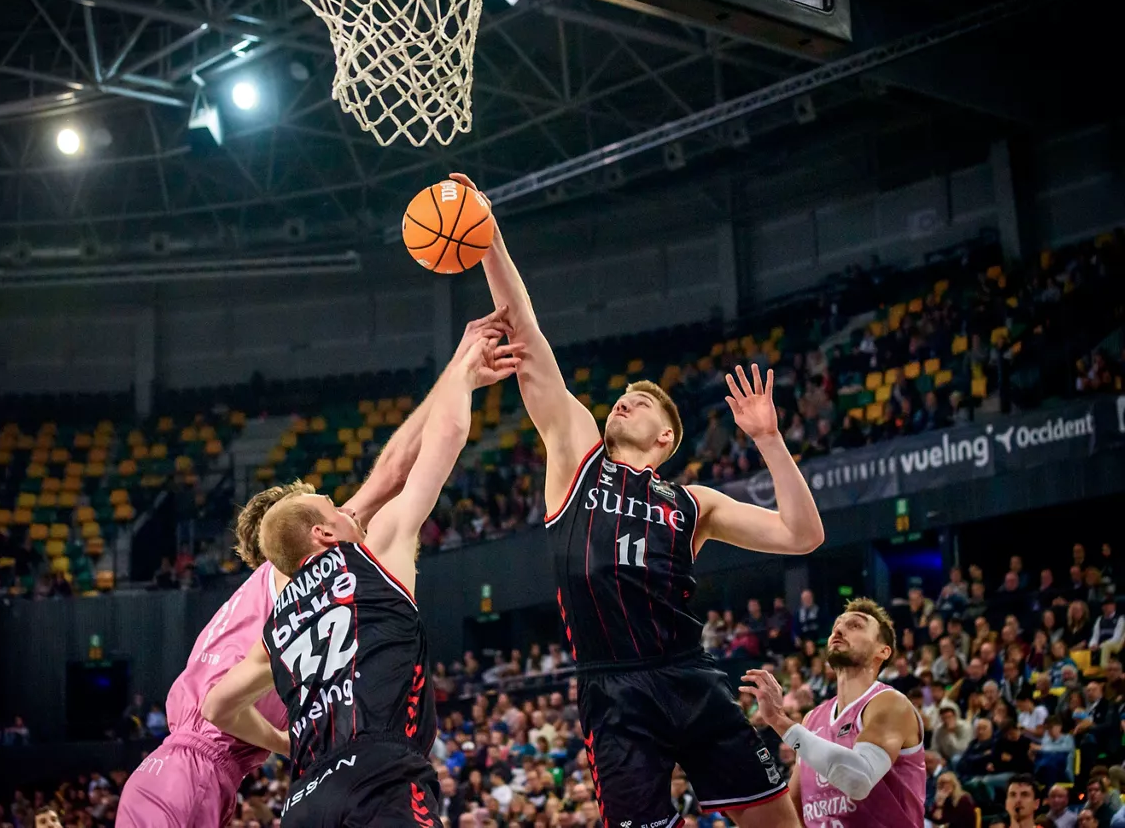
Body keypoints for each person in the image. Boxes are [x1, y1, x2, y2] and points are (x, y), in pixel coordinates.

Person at [451, 172, 825, 827]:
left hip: (690, 676)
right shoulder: (576, 458)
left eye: (644, 398)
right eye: (624, 393)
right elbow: (529, 339)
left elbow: (802, 536)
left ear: (666, 435)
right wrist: (487, 238)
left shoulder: (692, 502)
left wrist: (768, 439)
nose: (625, 396)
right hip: (612, 686)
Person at [118, 310, 514, 828]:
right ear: (315, 529)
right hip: (328, 771)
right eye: (329, 504)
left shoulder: (264, 613)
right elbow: (396, 469)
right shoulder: (312, 569)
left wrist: (286, 745)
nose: (345, 509)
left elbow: (218, 703)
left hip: (199, 772)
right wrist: (459, 368)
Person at [742, 598, 926, 828]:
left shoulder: (890, 704)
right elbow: (793, 814)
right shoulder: (812, 719)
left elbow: (859, 780)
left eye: (855, 625)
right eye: (837, 625)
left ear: (883, 651)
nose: (839, 629)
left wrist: (779, 720)